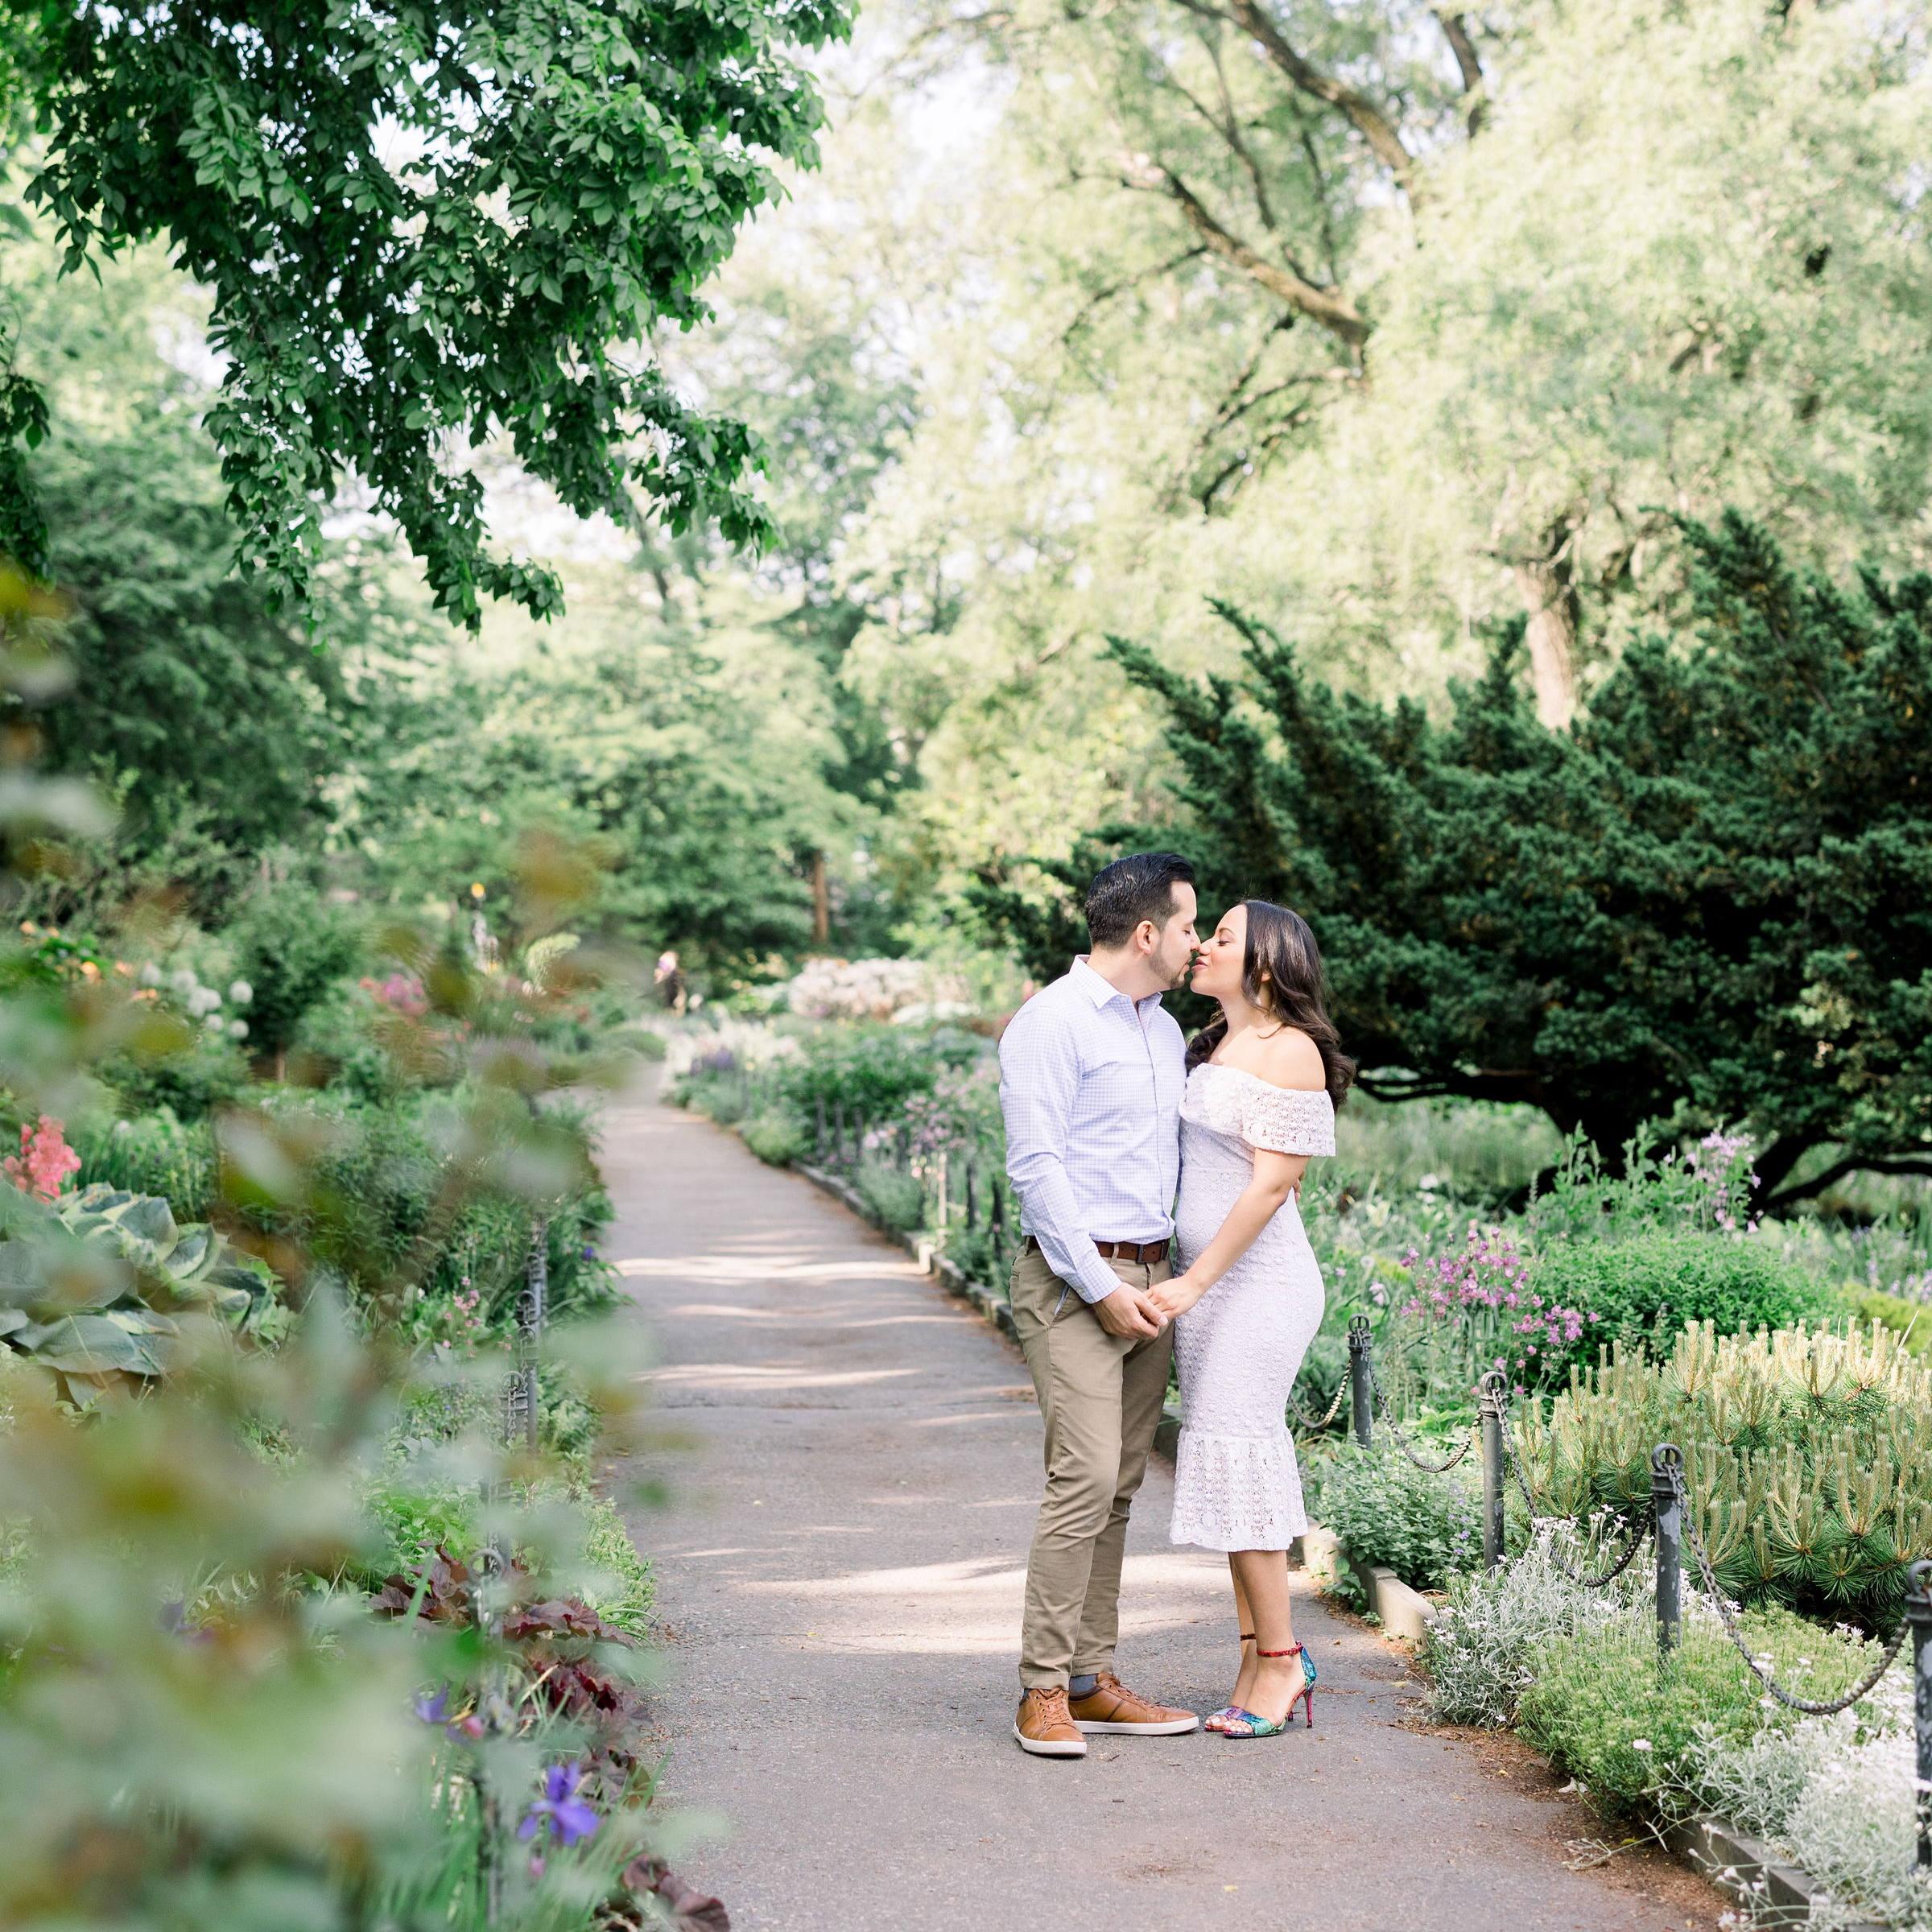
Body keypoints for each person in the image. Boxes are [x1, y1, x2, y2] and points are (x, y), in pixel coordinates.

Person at [998, 852, 1203, 1759]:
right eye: (1189, 926)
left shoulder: (1165, 1030)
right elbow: (1037, 1171)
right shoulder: (1051, 1023)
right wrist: (1102, 1288)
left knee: (1118, 1487)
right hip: (1074, 1282)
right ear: (1147, 932)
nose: (1197, 943)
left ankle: (1090, 1678)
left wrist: (1158, 1285)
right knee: (1081, 1478)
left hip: (1151, 1282)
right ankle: (1041, 1689)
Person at [1151, 900, 1352, 1739]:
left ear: (1265, 964)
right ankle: (1253, 1658)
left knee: (1243, 1454)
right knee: (1228, 1464)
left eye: (1223, 938)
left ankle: (1283, 1660)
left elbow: (1272, 1187)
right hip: (1211, 1293)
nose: (1203, 946)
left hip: (1257, 1287)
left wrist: (1192, 1283)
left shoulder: (1291, 1048)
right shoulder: (1213, 1043)